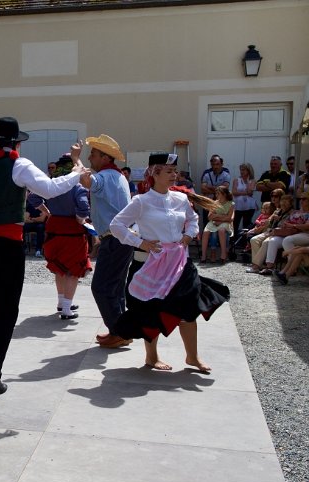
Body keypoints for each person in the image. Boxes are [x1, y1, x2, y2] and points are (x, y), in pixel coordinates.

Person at [0, 117, 87, 394]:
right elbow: (50, 189)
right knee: (6, 311)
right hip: (8, 246)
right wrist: (77, 172)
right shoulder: (20, 165)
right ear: (17, 143)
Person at [110, 152, 229, 372]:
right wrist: (141, 243)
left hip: (180, 264)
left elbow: (193, 219)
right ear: (154, 174)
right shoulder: (141, 201)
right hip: (151, 265)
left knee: (190, 306)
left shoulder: (181, 199)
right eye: (169, 171)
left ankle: (192, 357)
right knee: (151, 311)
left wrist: (188, 235)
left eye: (175, 171)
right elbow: (116, 225)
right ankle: (151, 357)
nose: (174, 175)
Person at [76, 134, 133, 349]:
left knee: (101, 287)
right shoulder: (118, 176)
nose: (90, 157)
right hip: (121, 238)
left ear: (105, 157)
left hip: (115, 239)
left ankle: (119, 332)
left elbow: (86, 181)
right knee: (115, 287)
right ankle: (121, 330)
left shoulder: (106, 176)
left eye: (93, 153)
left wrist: (75, 158)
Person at [43, 154, 91, 319]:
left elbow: (33, 197)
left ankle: (61, 302)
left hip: (54, 229)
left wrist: (46, 211)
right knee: (73, 270)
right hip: (72, 232)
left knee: (59, 268)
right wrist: (80, 219)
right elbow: (84, 207)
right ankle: (66, 309)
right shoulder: (76, 187)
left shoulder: (52, 184)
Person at [200, 185, 234, 264]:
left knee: (221, 230)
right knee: (205, 232)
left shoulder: (231, 204)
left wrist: (216, 217)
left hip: (225, 223)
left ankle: (223, 254)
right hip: (214, 222)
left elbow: (229, 218)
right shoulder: (214, 203)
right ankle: (203, 255)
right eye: (216, 193)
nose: (216, 195)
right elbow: (209, 217)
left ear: (224, 194)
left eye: (218, 193)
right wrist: (222, 216)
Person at [231, 163, 257, 235]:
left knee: (246, 224)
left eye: (244, 170)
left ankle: (244, 239)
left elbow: (250, 192)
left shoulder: (253, 181)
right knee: (235, 223)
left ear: (249, 171)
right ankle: (233, 238)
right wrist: (245, 193)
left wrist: (248, 182)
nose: (242, 172)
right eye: (241, 170)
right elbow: (234, 192)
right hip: (238, 206)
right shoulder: (236, 180)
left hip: (249, 206)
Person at [24, 191, 48, 258]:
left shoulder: (44, 203)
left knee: (40, 227)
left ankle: (38, 250)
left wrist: (31, 218)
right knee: (22, 227)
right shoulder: (28, 204)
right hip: (30, 224)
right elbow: (25, 218)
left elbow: (42, 219)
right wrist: (36, 219)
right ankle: (24, 248)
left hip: (39, 224)